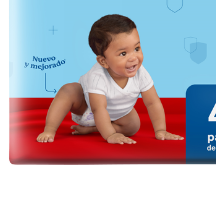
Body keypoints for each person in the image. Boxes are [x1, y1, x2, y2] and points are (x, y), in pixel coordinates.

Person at [36, 14, 184, 144]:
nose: (134, 58)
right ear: (103, 61)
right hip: (87, 109)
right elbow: (98, 109)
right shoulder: (97, 77)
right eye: (123, 53)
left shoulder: (141, 72)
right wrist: (110, 135)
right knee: (69, 90)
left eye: (137, 49)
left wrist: (160, 130)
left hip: (117, 115)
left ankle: (94, 129)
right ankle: (50, 129)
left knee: (133, 125)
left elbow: (152, 102)